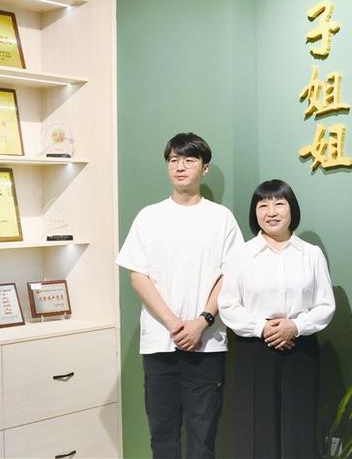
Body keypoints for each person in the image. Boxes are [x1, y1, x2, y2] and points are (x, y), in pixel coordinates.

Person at [116, 132, 244, 459]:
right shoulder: (149, 216)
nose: (180, 167)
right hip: (160, 343)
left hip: (207, 343)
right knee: (162, 434)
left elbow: (230, 276)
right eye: (173, 160)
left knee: (203, 437)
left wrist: (202, 321)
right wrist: (174, 323)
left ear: (205, 168)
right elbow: (137, 275)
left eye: (189, 160)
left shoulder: (221, 218)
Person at [218, 179, 335, 459]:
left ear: (292, 209)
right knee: (257, 427)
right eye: (263, 205)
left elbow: (325, 305)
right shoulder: (241, 254)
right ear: (254, 212)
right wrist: (263, 328)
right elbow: (228, 304)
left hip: (300, 348)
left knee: (299, 426)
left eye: (279, 204)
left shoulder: (311, 254)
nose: (271, 212)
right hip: (254, 350)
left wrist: (295, 326)